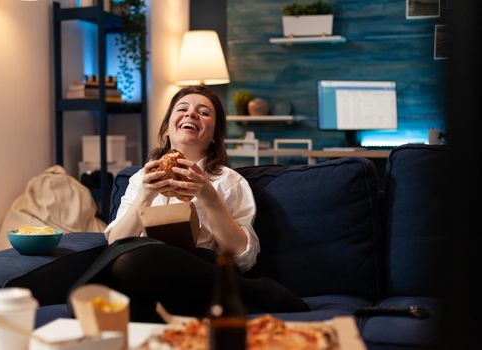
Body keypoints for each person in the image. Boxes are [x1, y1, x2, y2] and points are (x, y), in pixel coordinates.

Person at [72, 85, 309, 322]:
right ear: (166, 129)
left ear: (215, 136)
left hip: (198, 269)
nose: (191, 114)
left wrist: (209, 197)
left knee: (130, 261)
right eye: (182, 109)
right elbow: (115, 243)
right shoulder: (141, 178)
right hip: (146, 277)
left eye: (204, 112)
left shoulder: (228, 181)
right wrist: (145, 195)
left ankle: (248, 290)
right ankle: (246, 291)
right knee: (103, 273)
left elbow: (242, 257)